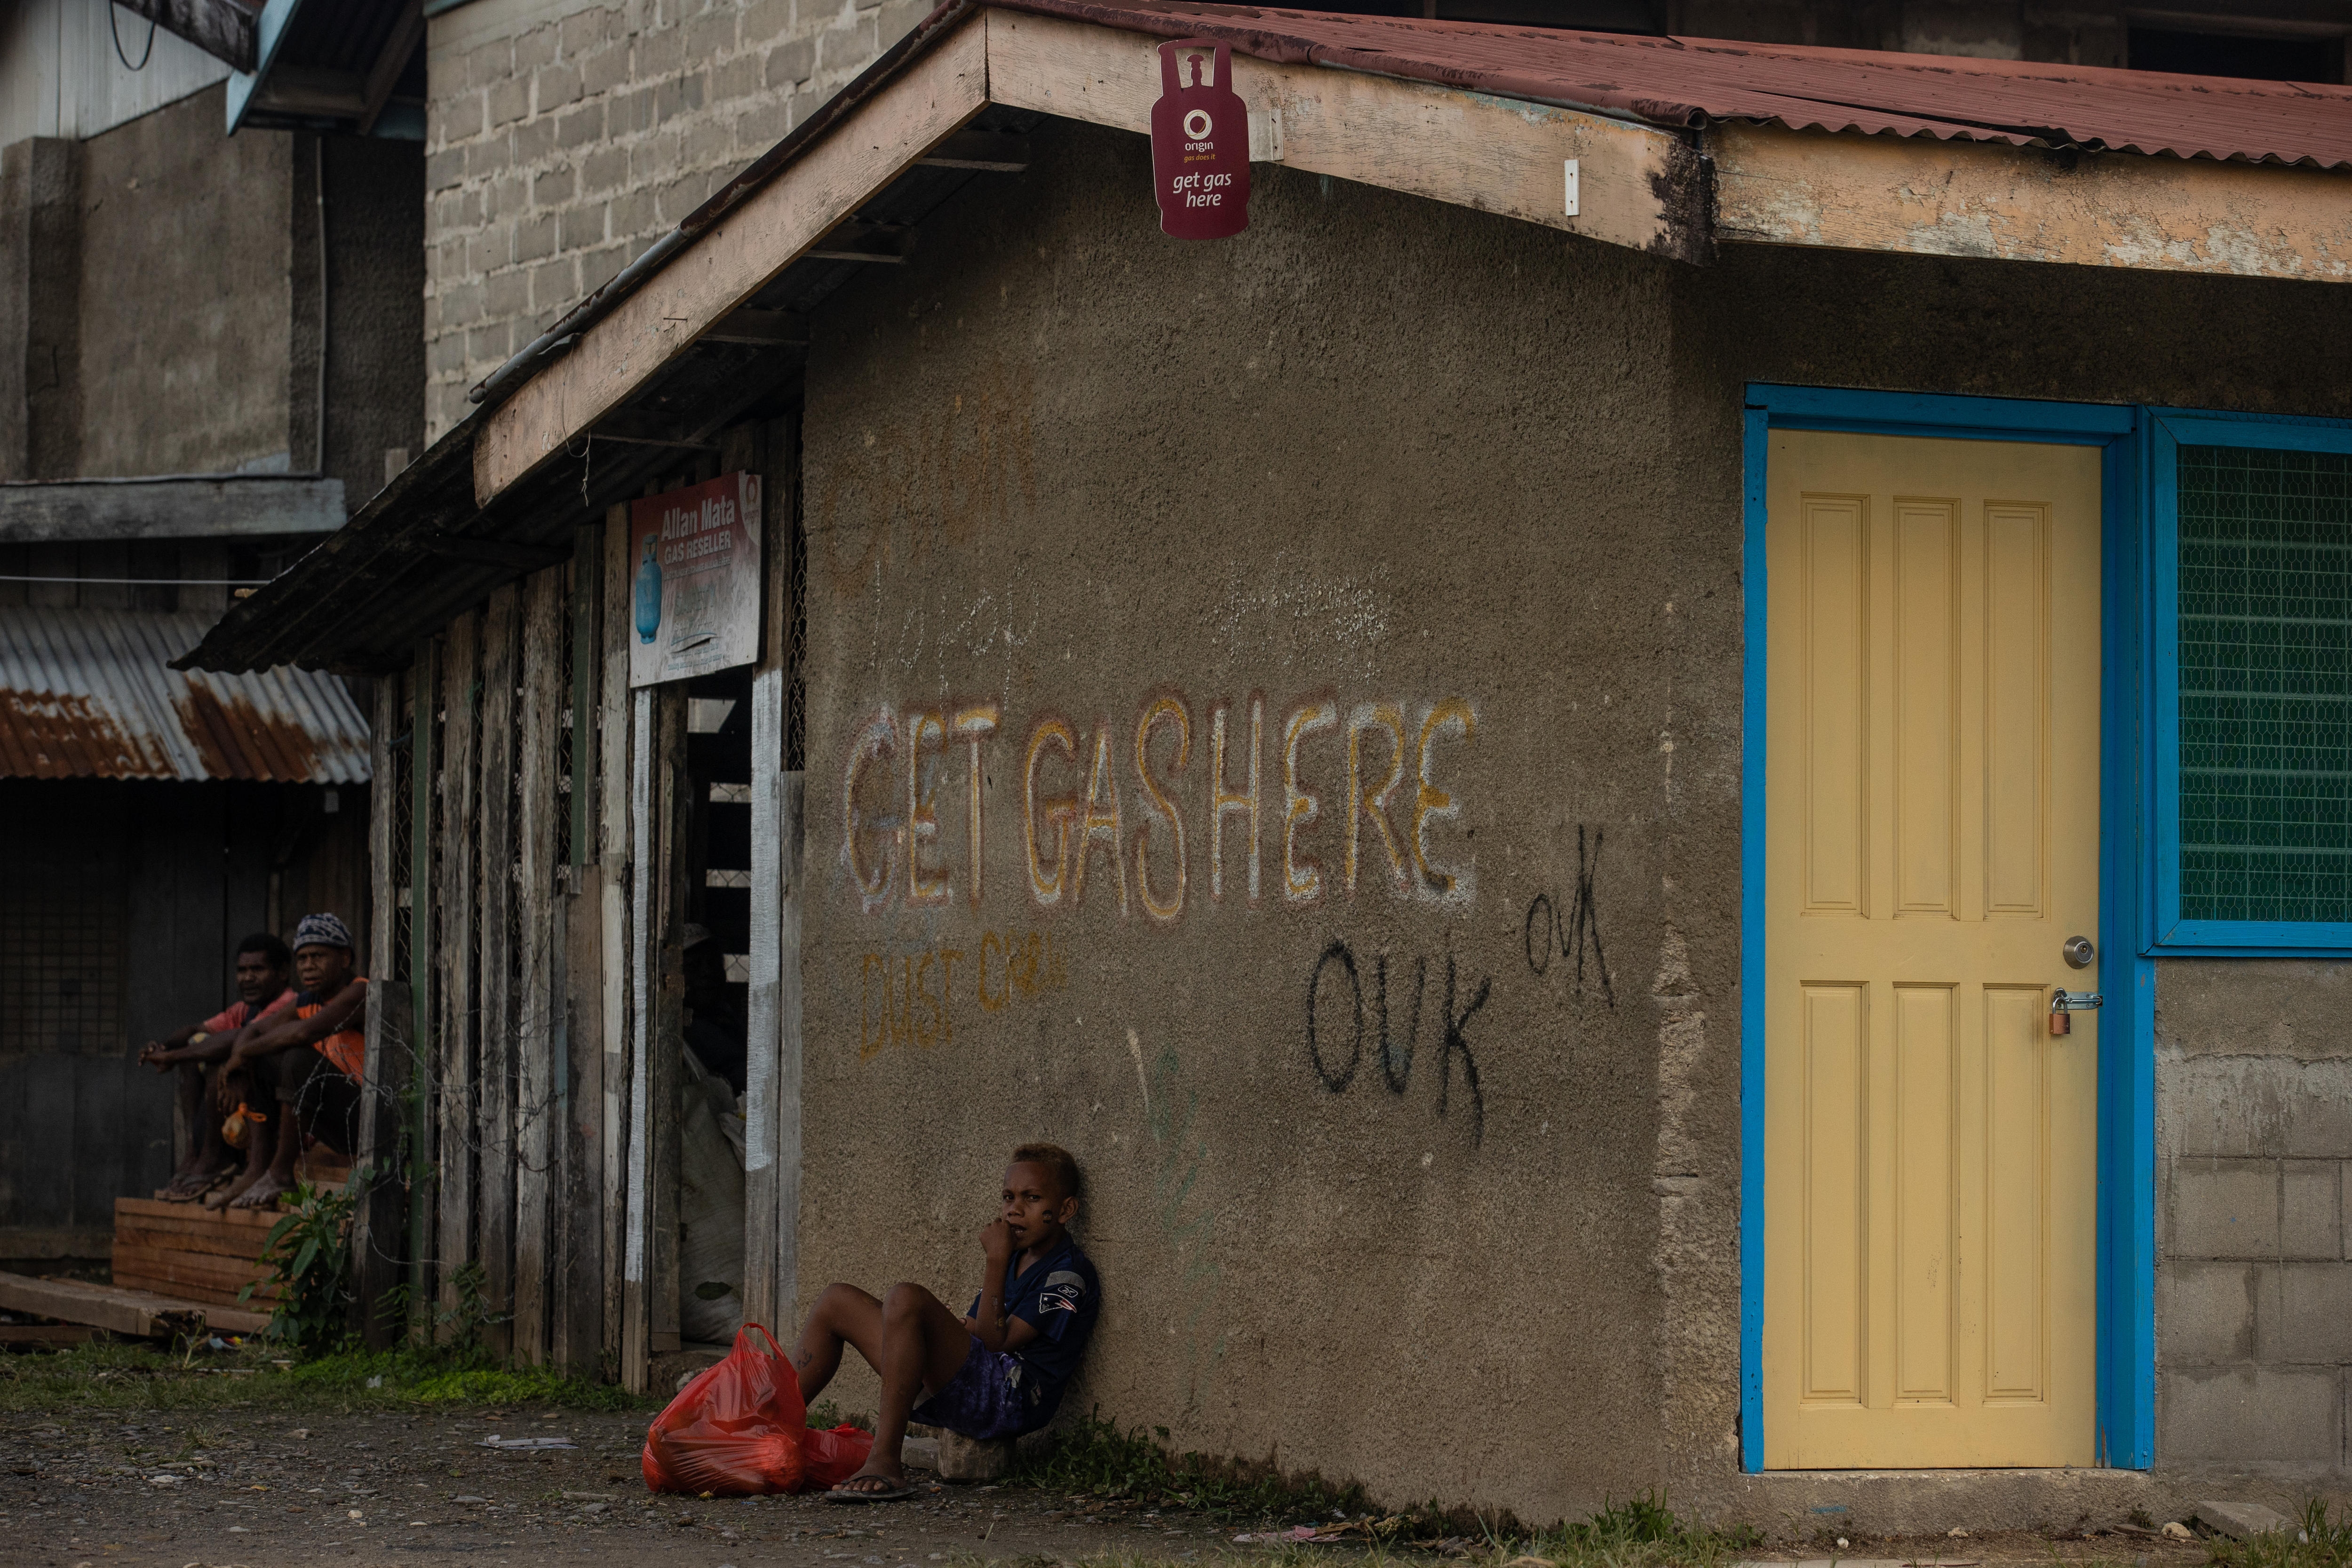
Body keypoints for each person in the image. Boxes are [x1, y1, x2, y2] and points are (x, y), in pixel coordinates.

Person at [794, 1143, 1101, 1503]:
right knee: (837, 1300)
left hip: (1010, 1401)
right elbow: (975, 1330)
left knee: (906, 1297)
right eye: (1008, 1197)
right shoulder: (1016, 1259)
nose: (1014, 1209)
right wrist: (942, 1333)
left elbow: (994, 1341)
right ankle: (767, 1430)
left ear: (1066, 1209)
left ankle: (885, 1458)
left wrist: (996, 1260)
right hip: (973, 1386)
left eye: (1032, 1198)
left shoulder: (1069, 1273)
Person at [205, 913, 370, 1212]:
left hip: (368, 1120)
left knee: (297, 1057)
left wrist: (241, 1055)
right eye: (302, 958)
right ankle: (258, 1167)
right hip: (336, 1122)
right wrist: (240, 1063)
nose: (307, 966)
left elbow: (306, 1032)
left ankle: (281, 1172)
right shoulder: (308, 1000)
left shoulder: (359, 991)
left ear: (345, 958)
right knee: (263, 1060)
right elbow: (253, 1029)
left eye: (317, 956)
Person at [138, 934, 297, 1202]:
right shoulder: (245, 1009)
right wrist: (163, 1048)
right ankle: (194, 1153)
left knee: (217, 1058)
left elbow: (233, 1040)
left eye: (257, 969)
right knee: (195, 1047)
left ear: (282, 972)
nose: (247, 978)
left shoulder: (288, 1004)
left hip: (277, 1117)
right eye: (242, 970)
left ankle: (215, 1159)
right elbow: (197, 1030)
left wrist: (173, 1057)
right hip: (244, 1115)